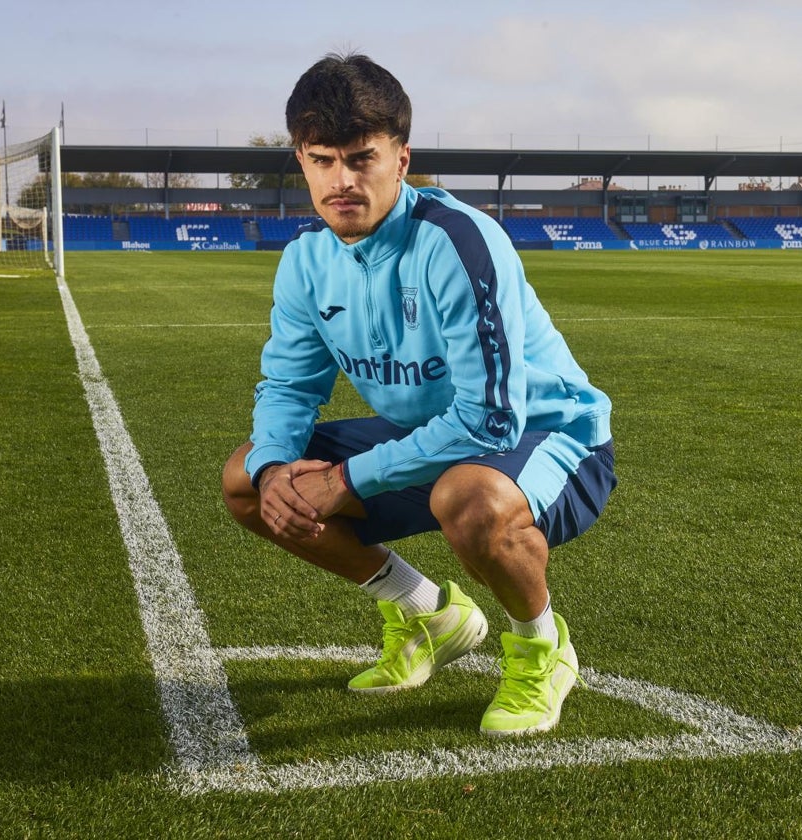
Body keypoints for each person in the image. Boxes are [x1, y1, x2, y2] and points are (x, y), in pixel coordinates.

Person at [221, 52, 616, 737]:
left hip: (548, 435)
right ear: (300, 161)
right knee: (246, 480)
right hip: (439, 439)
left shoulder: (456, 241)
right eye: (321, 160)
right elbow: (289, 384)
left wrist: (348, 479)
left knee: (467, 500)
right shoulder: (306, 260)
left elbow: (493, 421)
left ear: (401, 160)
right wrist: (276, 468)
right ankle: (428, 614)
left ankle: (541, 651)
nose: (340, 180)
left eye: (360, 158)